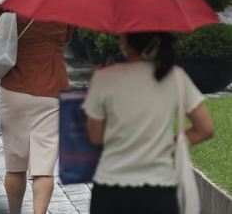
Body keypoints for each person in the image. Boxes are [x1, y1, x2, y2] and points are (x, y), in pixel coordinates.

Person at [83, 32, 214, 214]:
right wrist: (171, 145)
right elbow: (205, 129)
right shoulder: (175, 77)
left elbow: (96, 137)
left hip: (111, 187)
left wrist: (95, 85)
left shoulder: (105, 78)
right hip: (159, 188)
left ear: (125, 40)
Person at [0, 4, 75, 214]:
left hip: (14, 85)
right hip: (51, 85)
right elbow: (65, 40)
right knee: (43, 167)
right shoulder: (63, 0)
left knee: (15, 165)